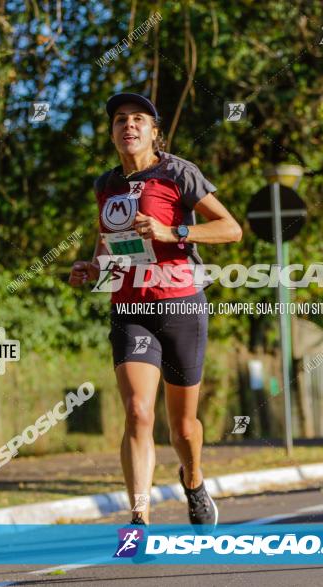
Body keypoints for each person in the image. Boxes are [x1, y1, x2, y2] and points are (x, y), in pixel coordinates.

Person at [69, 93, 242, 527]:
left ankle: (194, 479)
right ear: (111, 133)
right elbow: (108, 243)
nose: (128, 126)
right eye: (120, 121)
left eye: (139, 119)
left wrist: (173, 230)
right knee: (137, 412)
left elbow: (231, 229)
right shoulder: (105, 185)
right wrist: (93, 268)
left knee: (182, 428)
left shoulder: (177, 172)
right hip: (129, 306)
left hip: (180, 304)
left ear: (154, 131)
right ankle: (139, 516)